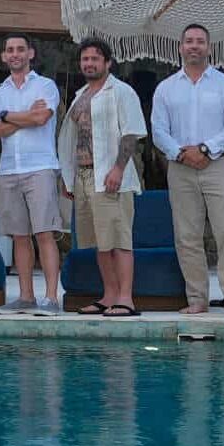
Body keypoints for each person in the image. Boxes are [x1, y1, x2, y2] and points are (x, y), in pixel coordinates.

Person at [150, 24, 224, 317]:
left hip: (217, 165)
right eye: (189, 41)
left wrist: (205, 149)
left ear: (209, 47)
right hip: (180, 168)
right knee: (186, 235)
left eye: (200, 42)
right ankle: (197, 298)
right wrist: (181, 152)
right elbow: (158, 129)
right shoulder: (166, 88)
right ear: (180, 47)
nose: (194, 46)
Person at [56, 37, 146, 317]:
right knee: (100, 242)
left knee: (119, 239)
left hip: (109, 175)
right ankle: (108, 296)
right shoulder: (81, 94)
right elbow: (72, 138)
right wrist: (68, 177)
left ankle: (126, 299)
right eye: (85, 59)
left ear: (107, 62)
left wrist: (118, 168)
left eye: (95, 58)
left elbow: (131, 133)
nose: (89, 63)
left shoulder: (121, 92)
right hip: (83, 176)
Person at [0, 33, 63, 315]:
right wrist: (22, 117)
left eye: (20, 49)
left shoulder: (45, 86)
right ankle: (26, 297)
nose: (14, 54)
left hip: (39, 167)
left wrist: (7, 116)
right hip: (9, 170)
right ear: (4, 56)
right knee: (19, 236)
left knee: (44, 233)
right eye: (9, 50)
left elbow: (41, 118)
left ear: (30, 53)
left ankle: (51, 299)